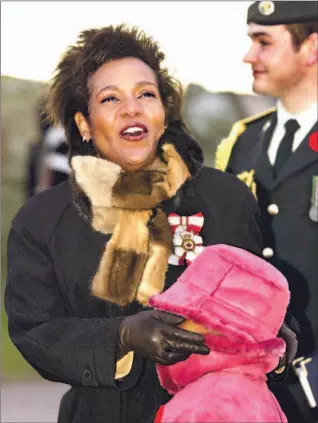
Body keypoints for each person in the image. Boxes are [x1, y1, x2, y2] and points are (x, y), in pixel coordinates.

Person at [5, 24, 297, 423]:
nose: (132, 108)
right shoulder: (42, 221)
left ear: (163, 113)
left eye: (146, 93)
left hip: (215, 412)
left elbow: (259, 299)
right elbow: (35, 331)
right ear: (84, 124)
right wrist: (122, 336)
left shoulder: (224, 199)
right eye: (111, 98)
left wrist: (278, 337)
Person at [215, 2, 318, 422]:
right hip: (253, 384)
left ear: (311, 48)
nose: (248, 55)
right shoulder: (242, 142)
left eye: (264, 43)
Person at [151, 244, 290, 423]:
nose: (173, 325)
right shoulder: (259, 397)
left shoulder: (198, 406)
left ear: (216, 328)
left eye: (184, 315)